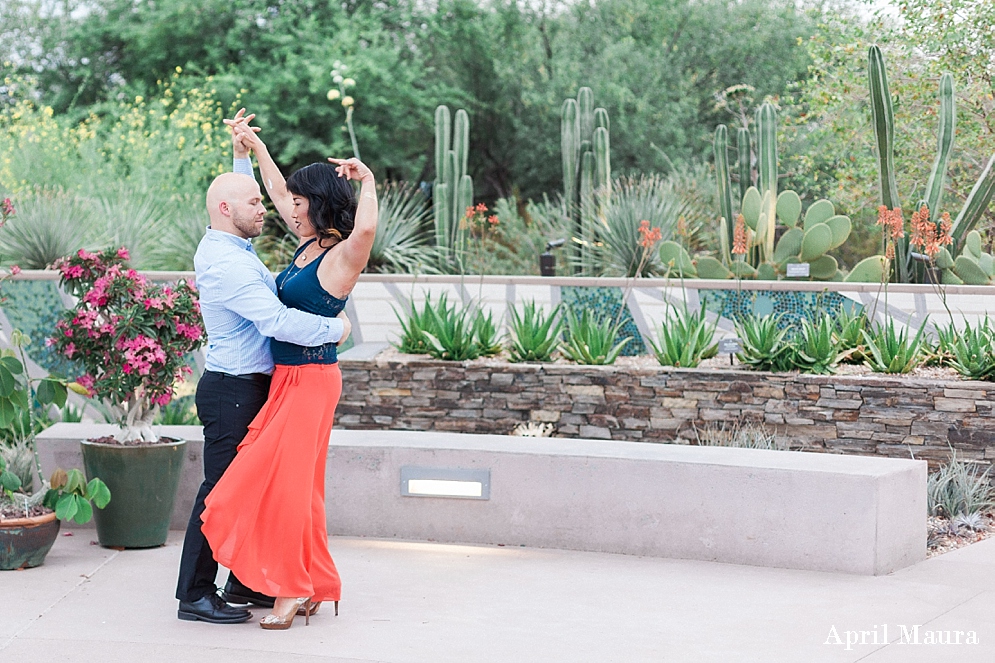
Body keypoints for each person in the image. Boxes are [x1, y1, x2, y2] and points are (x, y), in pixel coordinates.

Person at [200, 112, 378, 630]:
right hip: (286, 379)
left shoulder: (344, 256)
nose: (287, 207)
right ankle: (313, 583)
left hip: (312, 382)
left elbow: (365, 225)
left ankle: (290, 591)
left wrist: (366, 180)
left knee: (288, 489)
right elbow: (276, 190)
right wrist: (253, 149)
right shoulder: (306, 245)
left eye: (299, 203)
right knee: (289, 486)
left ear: (318, 205)